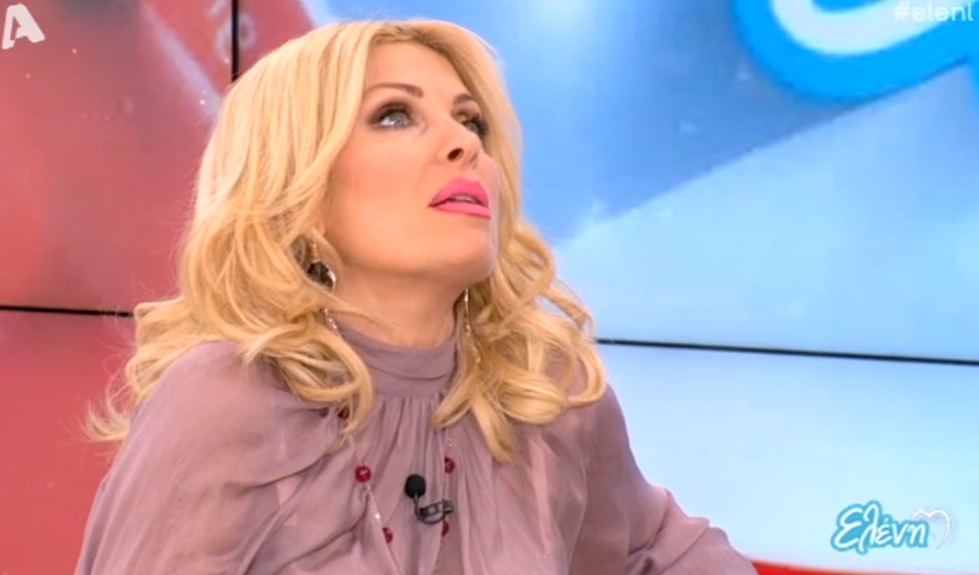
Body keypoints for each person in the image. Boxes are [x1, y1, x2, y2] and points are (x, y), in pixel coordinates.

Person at [75, 19, 759, 575]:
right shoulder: (228, 398)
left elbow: (659, 555)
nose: (463, 144)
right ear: (300, 193)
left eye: (472, 122)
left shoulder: (543, 394)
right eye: (395, 115)